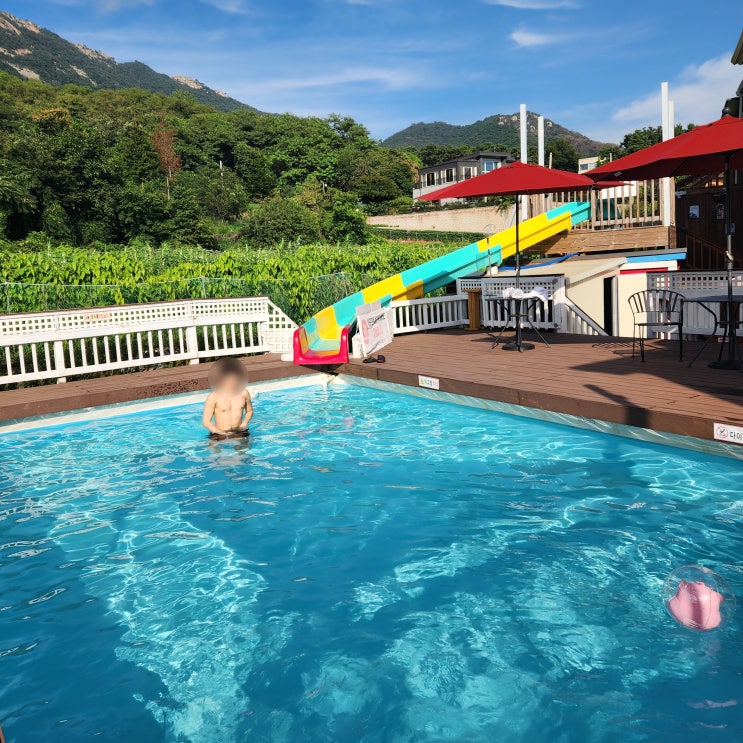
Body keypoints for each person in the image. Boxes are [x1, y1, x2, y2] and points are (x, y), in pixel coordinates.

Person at [202, 357, 253, 439]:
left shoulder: (244, 393)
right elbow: (206, 422)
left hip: (239, 431)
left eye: (236, 378)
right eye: (230, 378)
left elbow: (249, 411)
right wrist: (220, 432)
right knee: (213, 446)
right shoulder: (213, 397)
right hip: (219, 433)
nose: (233, 381)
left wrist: (245, 422)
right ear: (223, 378)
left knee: (247, 446)